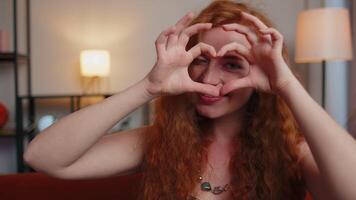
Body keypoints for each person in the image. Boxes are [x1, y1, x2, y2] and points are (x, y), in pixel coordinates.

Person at [24, 0, 356, 199]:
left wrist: (285, 83)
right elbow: (43, 157)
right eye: (201, 59)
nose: (209, 80)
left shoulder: (291, 151)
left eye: (231, 63)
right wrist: (148, 87)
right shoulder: (160, 141)